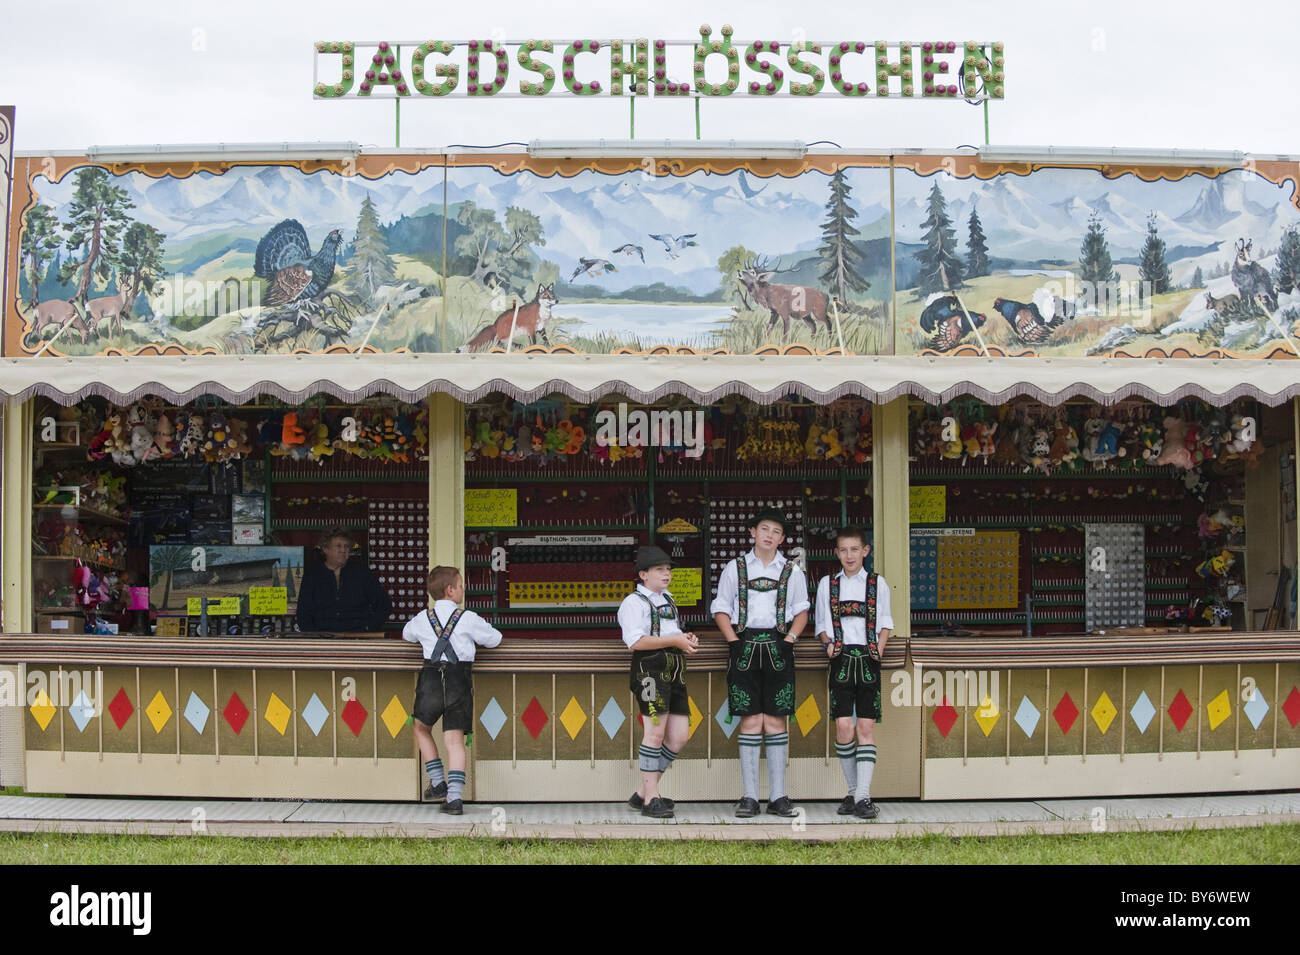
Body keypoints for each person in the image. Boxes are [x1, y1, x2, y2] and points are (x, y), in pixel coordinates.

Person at [710, 508, 809, 818]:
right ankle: (750, 797)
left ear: (781, 539)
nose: (769, 535)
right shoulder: (734, 568)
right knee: (751, 720)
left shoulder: (792, 571)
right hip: (744, 645)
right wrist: (734, 642)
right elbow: (721, 609)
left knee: (777, 720)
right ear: (752, 532)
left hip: (780, 646)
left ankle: (779, 797)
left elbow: (801, 611)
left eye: (776, 532)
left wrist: (790, 639)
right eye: (764, 529)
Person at [403, 565, 502, 814]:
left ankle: (437, 782)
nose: (463, 589)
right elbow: (495, 639)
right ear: (450, 590)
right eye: (460, 585)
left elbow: (407, 635)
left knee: (421, 727)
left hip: (430, 679)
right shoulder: (467, 618)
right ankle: (454, 798)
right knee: (454, 740)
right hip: (459, 680)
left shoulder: (422, 618)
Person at [813, 526, 892, 820]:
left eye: (854, 550)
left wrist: (879, 650)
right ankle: (854, 791)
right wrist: (828, 645)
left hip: (868, 658)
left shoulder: (876, 583)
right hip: (841, 659)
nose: (849, 555)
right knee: (844, 727)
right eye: (843, 550)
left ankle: (861, 797)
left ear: (865, 551)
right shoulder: (827, 584)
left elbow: (885, 620)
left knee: (866, 729)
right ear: (837, 553)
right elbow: (821, 623)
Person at [617, 545, 698, 819]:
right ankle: (652, 797)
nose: (667, 574)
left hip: (674, 671)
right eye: (659, 570)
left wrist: (685, 638)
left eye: (668, 570)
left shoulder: (669, 598)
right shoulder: (633, 603)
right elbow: (636, 642)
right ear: (643, 574)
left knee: (679, 736)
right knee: (654, 733)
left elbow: (672, 631)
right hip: (649, 674)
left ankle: (642, 793)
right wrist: (674, 640)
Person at [294, 528, 392, 633]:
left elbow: (384, 605)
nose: (343, 550)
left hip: (357, 639)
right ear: (325, 549)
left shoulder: (362, 573)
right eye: (338, 546)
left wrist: (368, 628)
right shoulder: (313, 576)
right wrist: (314, 637)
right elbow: (303, 613)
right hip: (323, 640)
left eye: (346, 546)